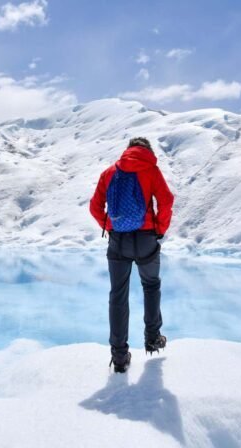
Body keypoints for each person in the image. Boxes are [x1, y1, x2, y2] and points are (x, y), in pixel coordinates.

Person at [89, 137, 175, 373]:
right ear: (148, 151)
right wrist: (160, 229)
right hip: (146, 238)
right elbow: (166, 200)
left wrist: (110, 226)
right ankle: (153, 338)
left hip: (118, 241)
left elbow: (95, 207)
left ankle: (119, 356)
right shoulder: (151, 170)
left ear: (127, 150)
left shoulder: (110, 173)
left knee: (118, 294)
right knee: (151, 285)